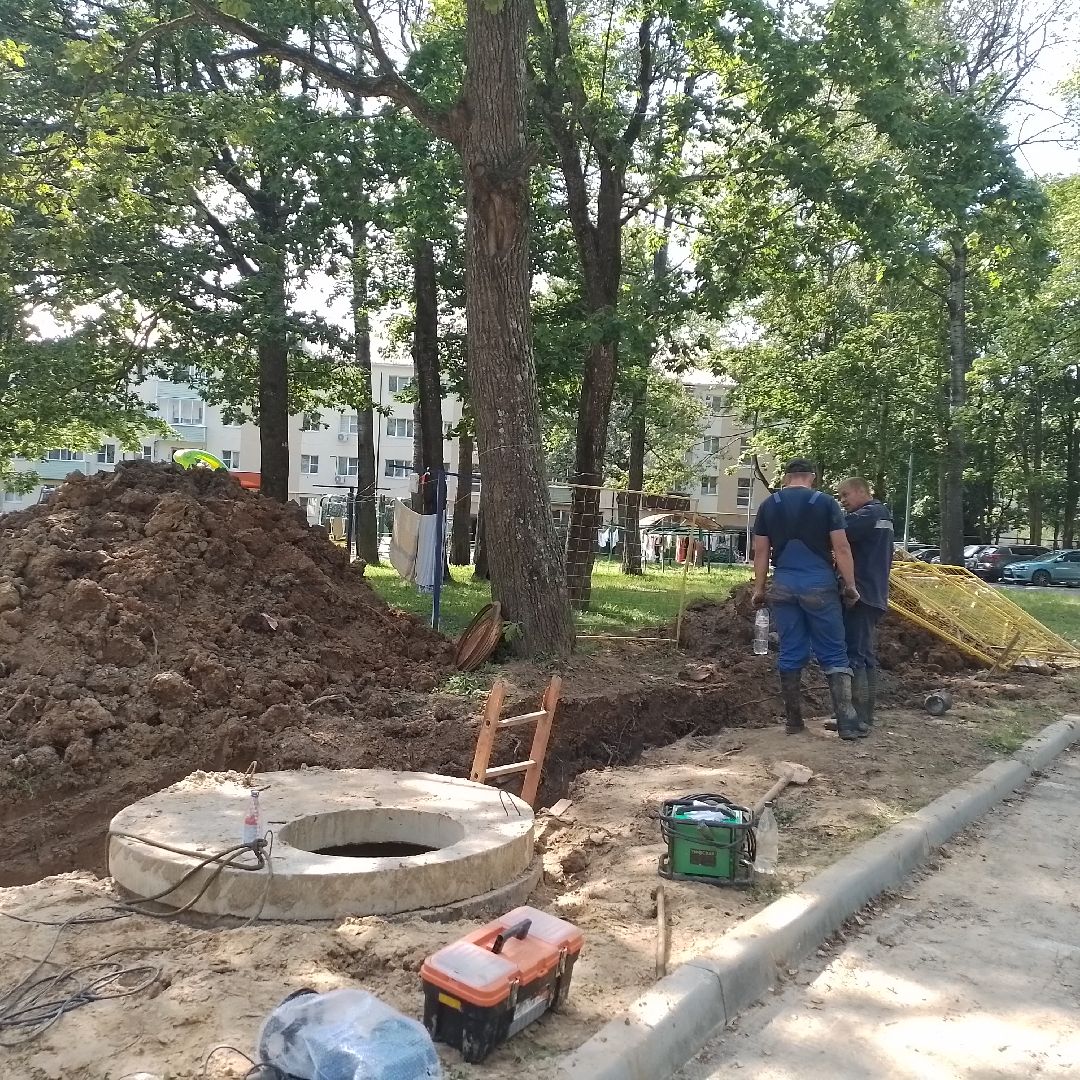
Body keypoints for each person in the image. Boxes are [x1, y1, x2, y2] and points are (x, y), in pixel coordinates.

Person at [751, 459, 863, 740]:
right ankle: (847, 724)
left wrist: (760, 589)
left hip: (785, 587)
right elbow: (841, 547)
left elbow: (761, 551)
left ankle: (794, 722)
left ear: (786, 477)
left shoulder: (769, 505)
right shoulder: (826, 503)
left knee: (791, 652)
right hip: (819, 586)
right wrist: (850, 585)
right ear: (811, 477)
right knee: (834, 652)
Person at [831, 476, 894, 734]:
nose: (843, 501)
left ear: (860, 491)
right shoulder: (883, 514)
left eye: (845, 495)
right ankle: (865, 715)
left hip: (861, 594)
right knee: (865, 655)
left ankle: (858, 718)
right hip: (874, 593)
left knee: (856, 655)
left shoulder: (868, 514)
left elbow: (836, 533)